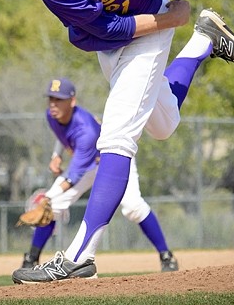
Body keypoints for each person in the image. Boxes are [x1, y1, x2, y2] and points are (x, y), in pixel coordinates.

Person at [13, 0, 234, 284]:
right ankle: (202, 41)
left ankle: (80, 255)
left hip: (149, 33)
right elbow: (108, 27)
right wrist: (174, 21)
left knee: (116, 137)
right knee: (163, 125)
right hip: (116, 42)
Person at [20, 77, 179, 273]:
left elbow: (73, 176)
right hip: (87, 164)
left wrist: (48, 196)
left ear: (72, 101)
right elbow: (63, 135)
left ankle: (166, 256)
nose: (53, 104)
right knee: (52, 207)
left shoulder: (85, 129)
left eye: (59, 99)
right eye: (51, 99)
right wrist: (56, 155)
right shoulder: (52, 115)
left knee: (133, 207)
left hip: (114, 160)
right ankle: (31, 259)